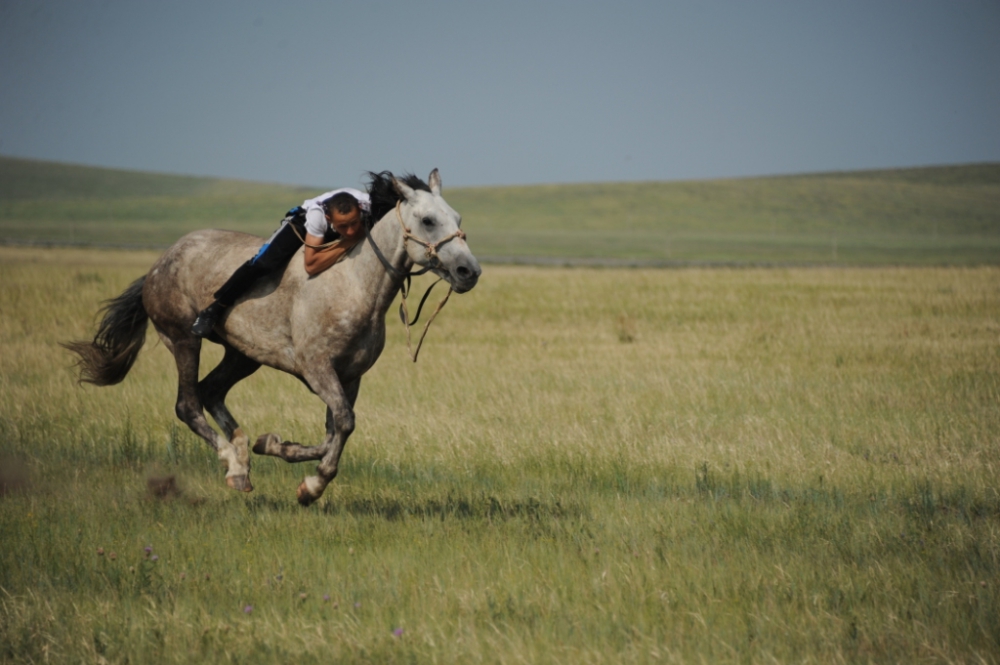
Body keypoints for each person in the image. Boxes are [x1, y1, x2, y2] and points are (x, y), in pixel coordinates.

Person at [191, 187, 371, 337]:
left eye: (354, 223)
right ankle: (213, 310)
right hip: (301, 222)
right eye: (343, 227)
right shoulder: (317, 215)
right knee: (264, 264)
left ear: (361, 210)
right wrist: (347, 243)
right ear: (330, 220)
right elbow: (311, 265)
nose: (350, 231)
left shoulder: (369, 206)